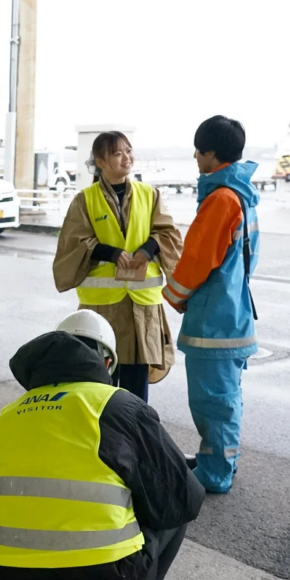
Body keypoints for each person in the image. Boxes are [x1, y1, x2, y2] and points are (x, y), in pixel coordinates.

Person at [0, 310, 203, 580]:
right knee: (173, 508)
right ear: (107, 363)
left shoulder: (6, 417)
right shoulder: (120, 406)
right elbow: (182, 499)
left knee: (28, 521)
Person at [162, 116, 260, 494]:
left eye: (198, 150)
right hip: (233, 314)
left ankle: (216, 472)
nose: (194, 156)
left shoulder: (220, 199)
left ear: (212, 153)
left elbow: (197, 259)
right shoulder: (241, 195)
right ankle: (218, 460)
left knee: (213, 402)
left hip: (214, 322)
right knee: (224, 398)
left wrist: (175, 296)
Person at [53, 132, 182, 402]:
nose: (127, 157)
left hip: (142, 306)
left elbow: (169, 234)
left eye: (128, 151)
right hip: (102, 307)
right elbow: (72, 243)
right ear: (100, 162)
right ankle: (104, 429)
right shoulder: (85, 200)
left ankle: (135, 428)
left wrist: (149, 249)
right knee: (101, 381)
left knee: (137, 385)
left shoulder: (150, 194)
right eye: (117, 153)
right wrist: (109, 253)